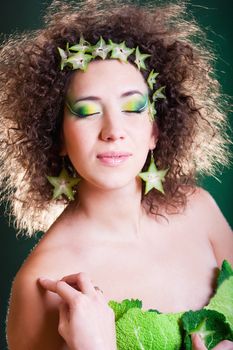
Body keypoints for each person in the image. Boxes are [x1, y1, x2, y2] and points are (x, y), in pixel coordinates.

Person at [0, 0, 232, 349]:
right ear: (57, 136)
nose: (113, 131)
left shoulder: (201, 209)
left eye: (133, 107)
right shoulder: (43, 283)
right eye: (88, 111)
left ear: (156, 129)